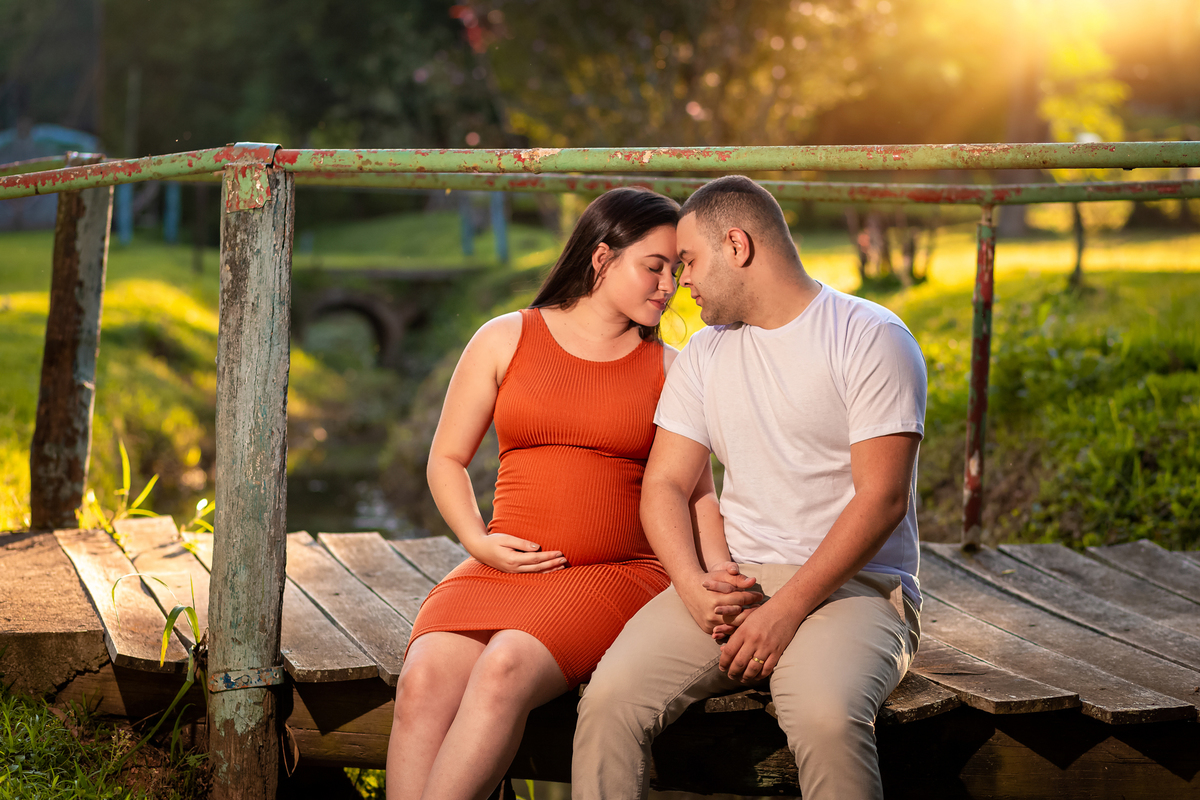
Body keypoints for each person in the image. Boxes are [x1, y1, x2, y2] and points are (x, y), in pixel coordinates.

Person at [572, 175, 927, 800]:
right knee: (607, 701)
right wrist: (694, 586)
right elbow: (663, 485)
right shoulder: (706, 352)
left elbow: (882, 499)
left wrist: (785, 612)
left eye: (689, 261)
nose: (681, 280)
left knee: (824, 716)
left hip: (858, 587)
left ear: (737, 245)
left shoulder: (870, 336)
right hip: (737, 584)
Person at [385, 187, 726, 800]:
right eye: (654, 266)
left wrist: (714, 578)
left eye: (675, 271)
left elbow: (696, 494)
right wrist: (477, 541)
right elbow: (447, 459)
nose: (668, 285)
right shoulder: (505, 337)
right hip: (501, 569)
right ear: (601, 258)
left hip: (614, 573)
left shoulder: (672, 368)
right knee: (423, 678)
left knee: (503, 669)